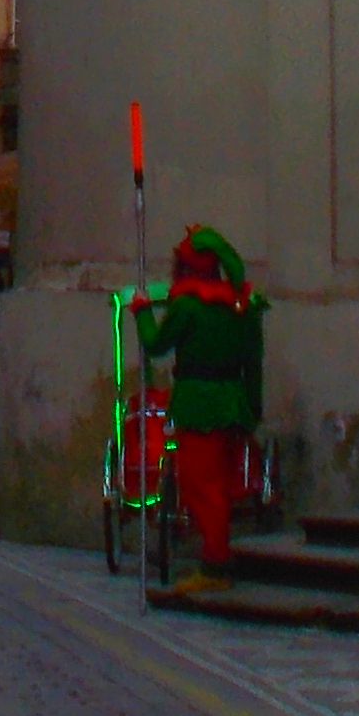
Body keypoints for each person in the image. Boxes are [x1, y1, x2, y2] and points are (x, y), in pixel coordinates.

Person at [135, 224, 268, 587]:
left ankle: (215, 565)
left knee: (199, 486)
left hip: (199, 403)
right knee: (220, 485)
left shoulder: (188, 305)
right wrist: (253, 409)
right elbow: (253, 363)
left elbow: (156, 344)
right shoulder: (243, 306)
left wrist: (142, 312)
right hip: (233, 402)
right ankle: (216, 556)